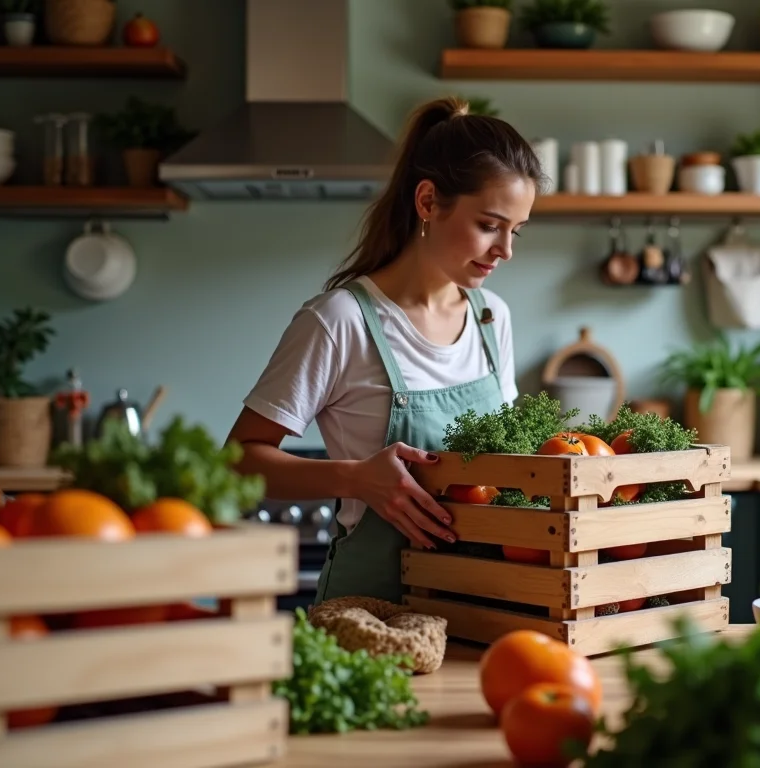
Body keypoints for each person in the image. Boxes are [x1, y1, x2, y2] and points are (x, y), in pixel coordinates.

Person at [226, 96, 544, 605]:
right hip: (371, 615)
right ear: (427, 202)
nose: (505, 250)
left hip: (484, 609)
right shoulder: (338, 320)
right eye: (489, 225)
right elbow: (236, 463)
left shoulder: (491, 319)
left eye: (516, 231)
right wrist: (357, 478)